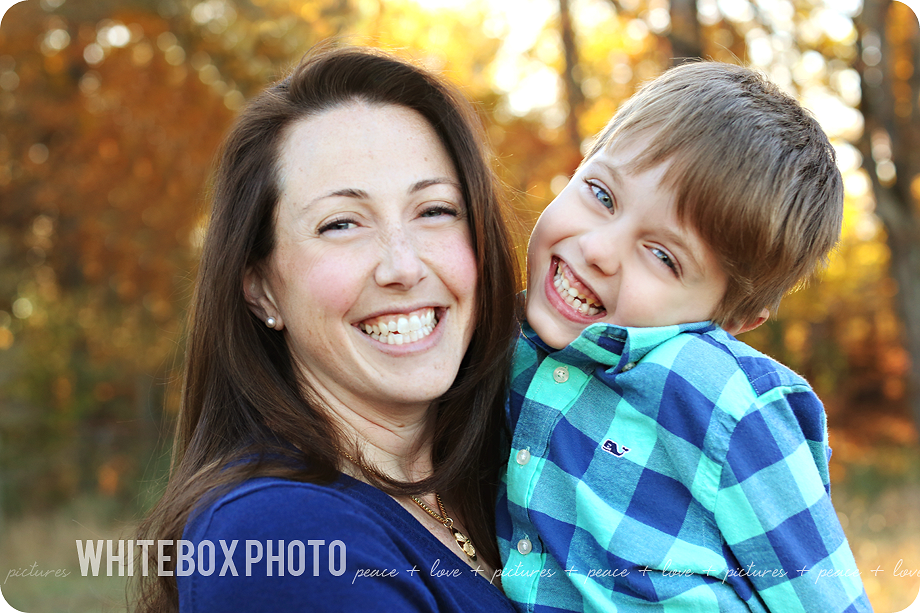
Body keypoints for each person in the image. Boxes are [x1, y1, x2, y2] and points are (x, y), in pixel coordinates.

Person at [134, 45, 520, 612]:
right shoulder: (281, 538)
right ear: (260, 288)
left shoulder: (521, 478)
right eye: (341, 224)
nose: (404, 266)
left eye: (435, 210)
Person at [496, 62, 873, 611]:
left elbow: (824, 597)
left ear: (732, 320)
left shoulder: (718, 396)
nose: (599, 249)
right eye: (602, 195)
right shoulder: (500, 342)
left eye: (663, 256)